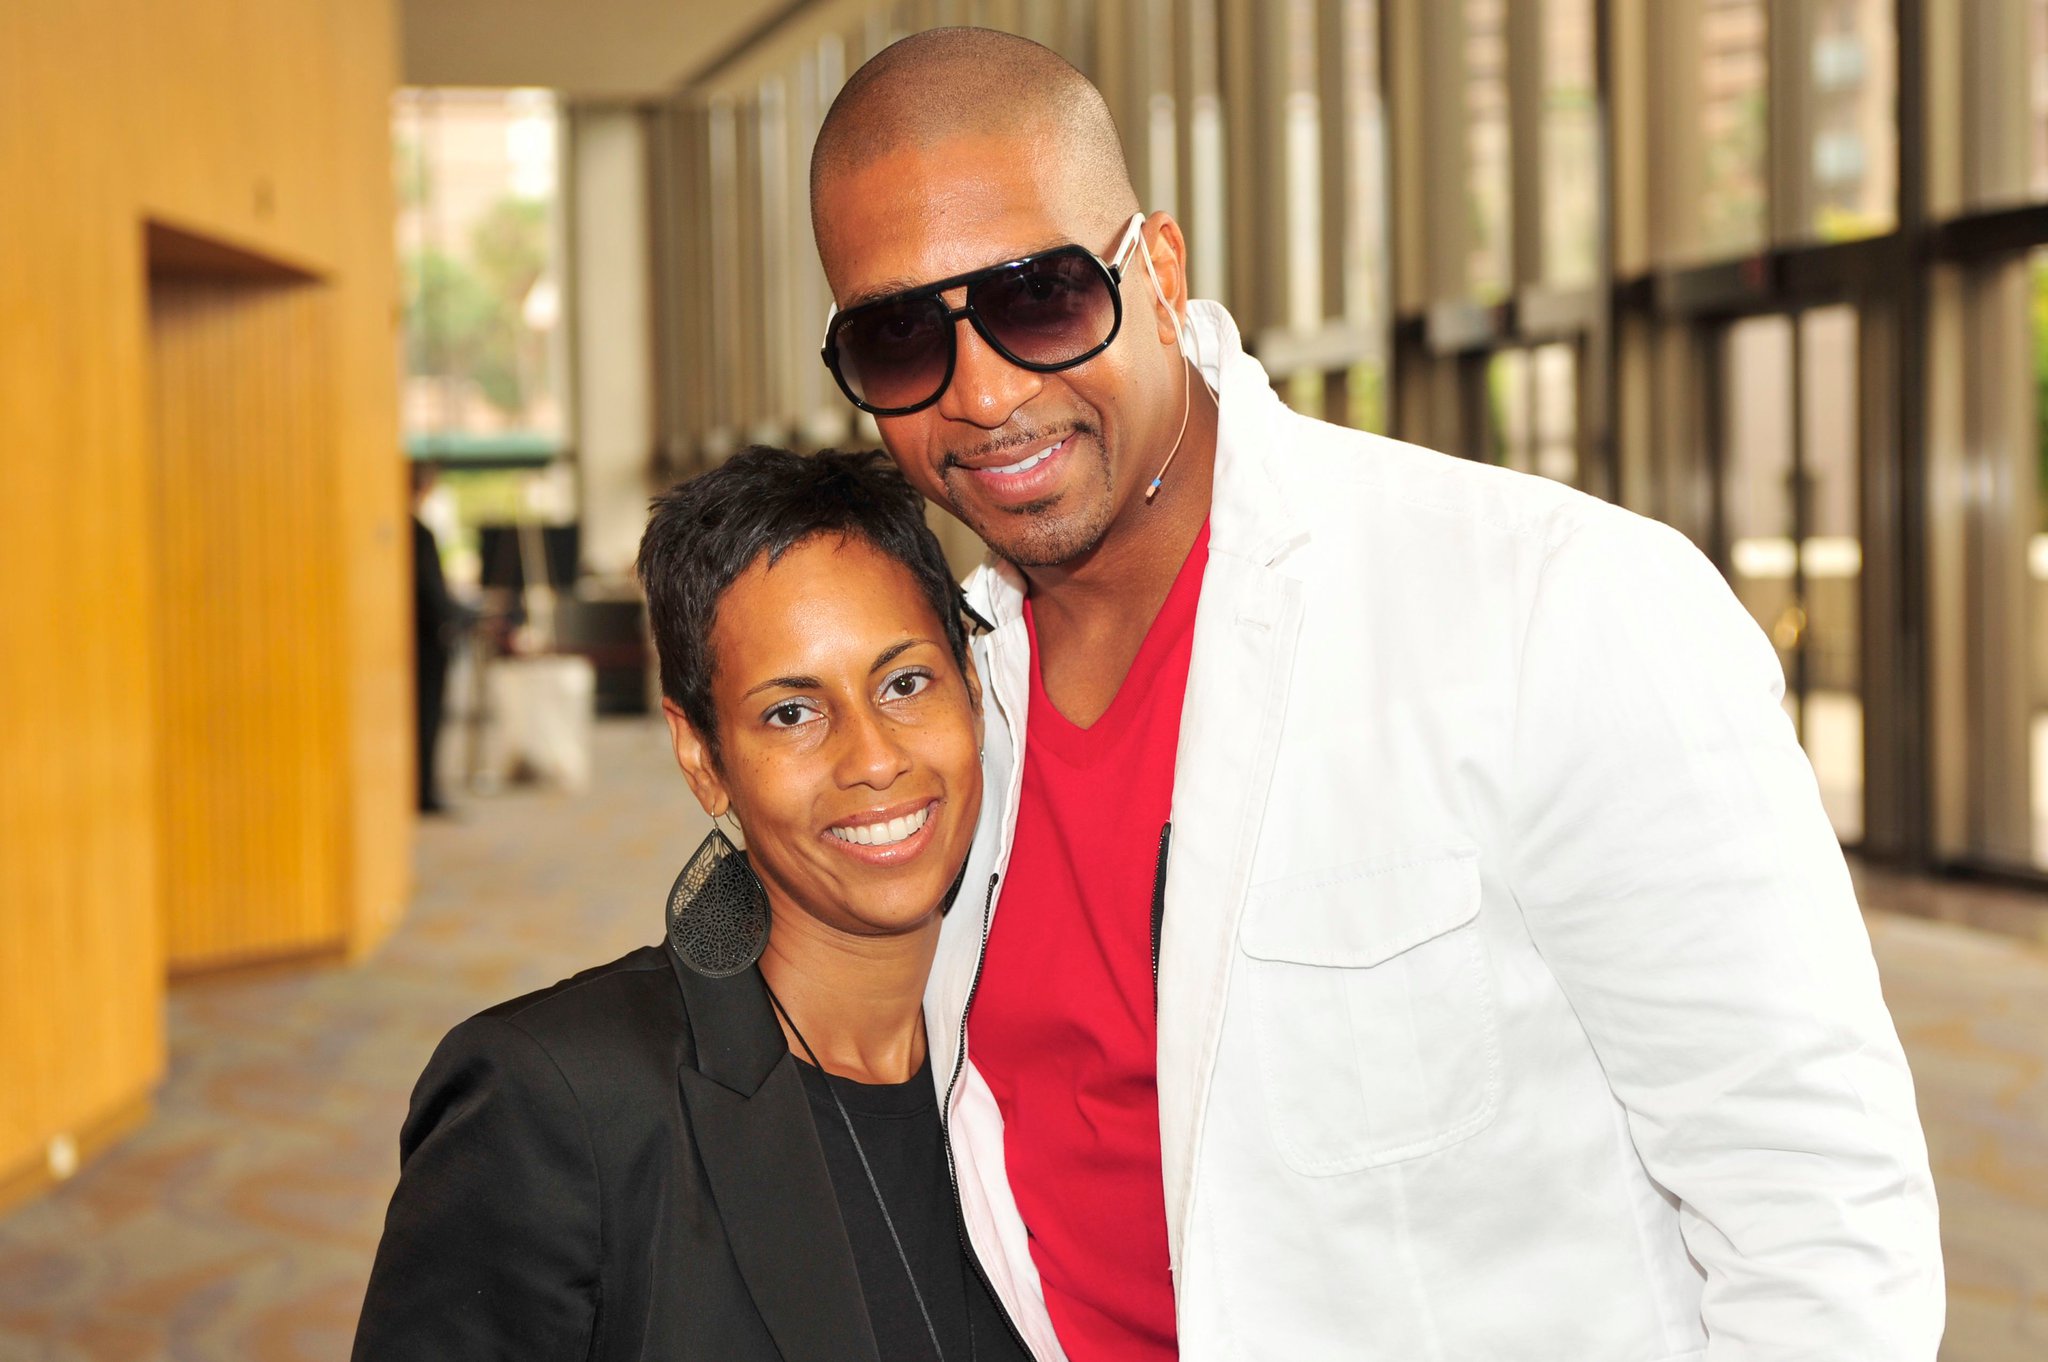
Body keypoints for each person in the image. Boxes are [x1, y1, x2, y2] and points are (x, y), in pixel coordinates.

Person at [807, 26, 1944, 1362]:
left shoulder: (1554, 605)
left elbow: (1821, 1232)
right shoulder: (946, 703)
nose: (984, 391)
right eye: (898, 337)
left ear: (1158, 272)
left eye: (1040, 297)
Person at [353, 447, 1034, 1362]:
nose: (874, 759)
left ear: (973, 690)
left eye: (905, 683)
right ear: (703, 758)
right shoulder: (555, 1106)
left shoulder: (1053, 1065)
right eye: (792, 713)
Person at [411, 461, 457, 813]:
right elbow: (432, 594)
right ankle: (424, 791)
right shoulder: (417, 533)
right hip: (425, 643)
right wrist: (459, 616)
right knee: (426, 719)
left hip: (412, 641)